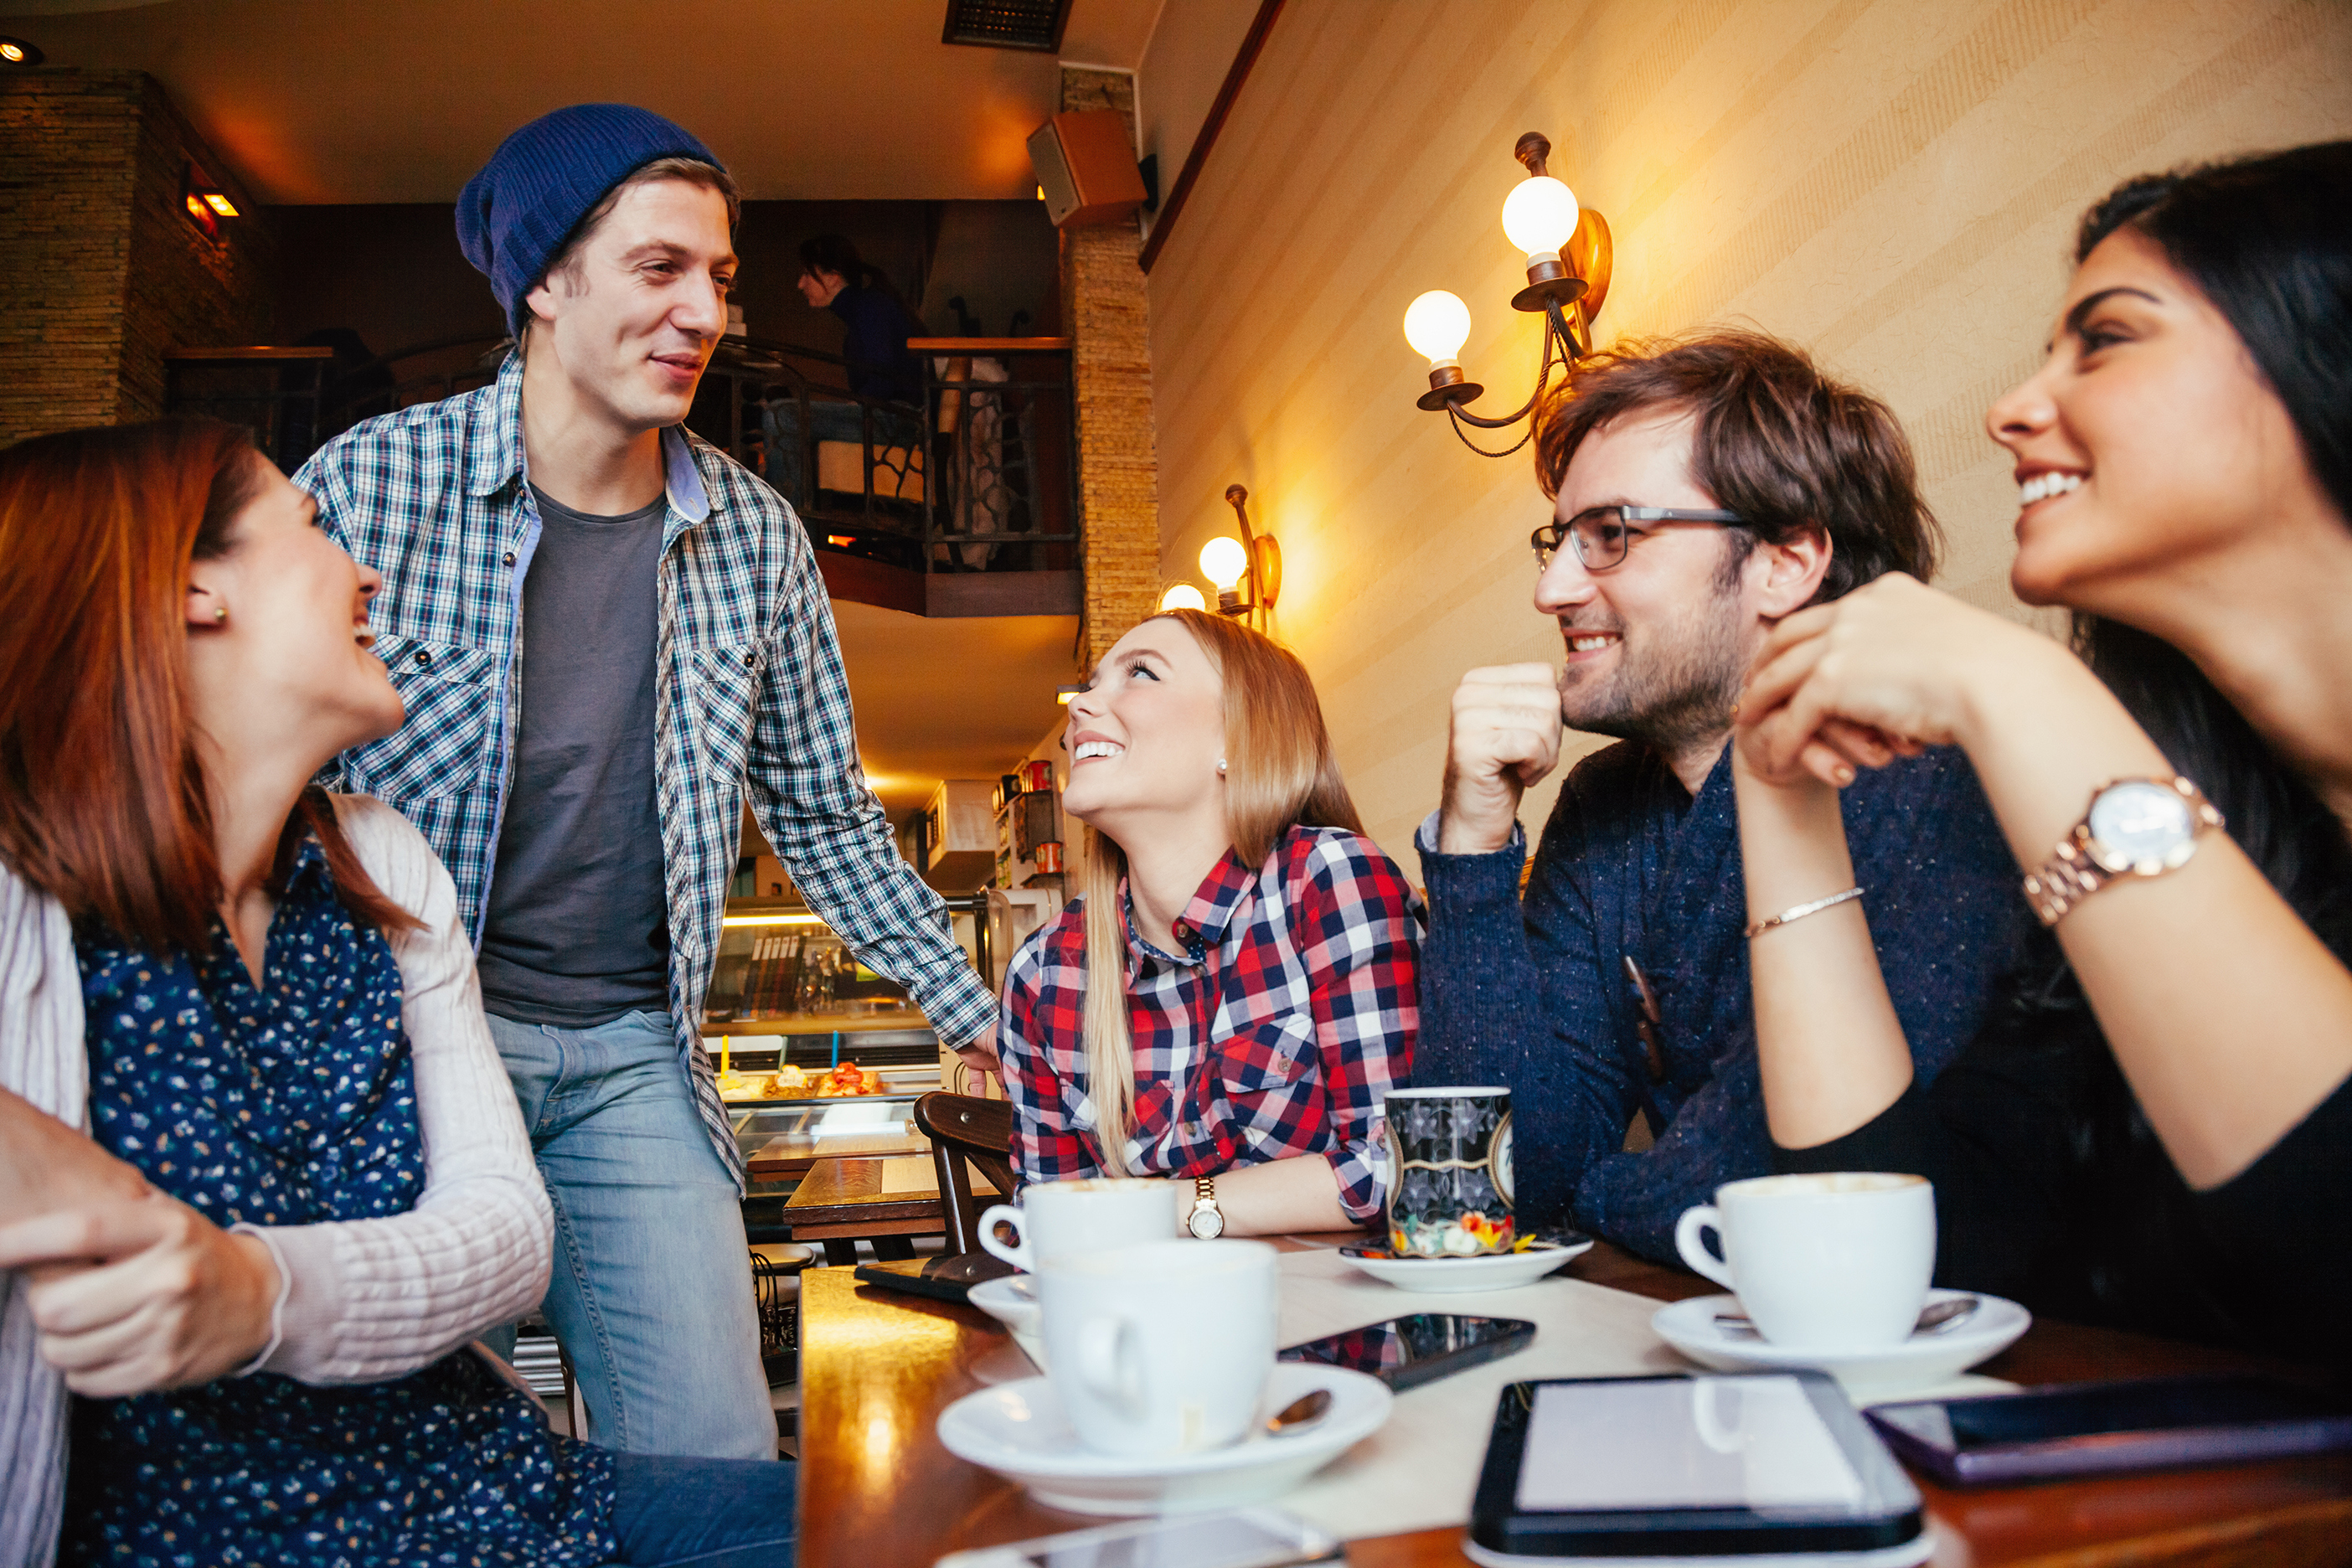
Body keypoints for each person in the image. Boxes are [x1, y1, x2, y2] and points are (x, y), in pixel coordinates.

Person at [295, 105, 997, 1461]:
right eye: (660, 268)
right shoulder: (373, 482)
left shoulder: (758, 536)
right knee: (412, 1480)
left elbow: (825, 818)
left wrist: (981, 1010)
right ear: (544, 281)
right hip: (416, 1053)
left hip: (633, 1062)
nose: (705, 314)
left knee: (717, 1464)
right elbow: (263, 782)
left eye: (722, 280)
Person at [0, 419, 796, 1566]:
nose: (368, 572)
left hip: (501, 1496)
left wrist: (257, 1291)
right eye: (315, 531)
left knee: (925, 1524)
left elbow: (510, 1239)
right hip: (207, 1536)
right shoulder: (29, 905)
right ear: (191, 591)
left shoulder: (385, 863)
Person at [1733, 142, 2352, 1359]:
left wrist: (2012, 681)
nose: (2010, 409)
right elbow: (1917, 1248)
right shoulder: (2212, 821)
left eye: (2107, 338)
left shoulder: (2063, 747)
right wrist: (1781, 796)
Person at [1414, 332, 2019, 1262]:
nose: (1551, 589)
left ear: (1785, 562)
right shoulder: (1606, 805)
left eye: (1612, 534)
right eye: (1561, 539)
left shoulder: (1916, 772)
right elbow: (1487, 1193)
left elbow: (1761, 1199)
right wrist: (1471, 847)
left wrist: (1592, 1193)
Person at [998, 610, 1420, 1239]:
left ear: (1237, 739)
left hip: (1350, 1326)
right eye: (1088, 685)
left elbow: (1400, 1168)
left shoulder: (1327, 880)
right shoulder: (1044, 973)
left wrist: (1163, 1208)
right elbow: (1055, 1228)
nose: (1081, 704)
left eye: (1140, 673)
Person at [762, 234, 928, 512]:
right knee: (787, 412)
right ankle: (794, 519)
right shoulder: (867, 308)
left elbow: (884, 376)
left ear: (832, 277)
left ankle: (791, 526)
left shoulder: (871, 307)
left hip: (899, 423)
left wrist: (855, 403)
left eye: (806, 274)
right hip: (894, 418)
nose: (800, 284)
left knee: (783, 415)